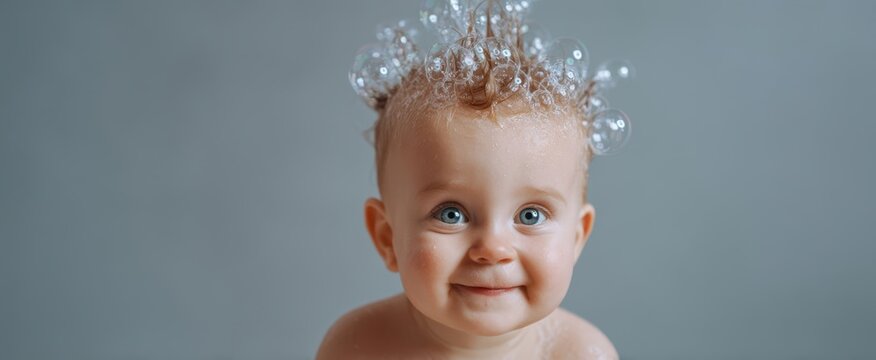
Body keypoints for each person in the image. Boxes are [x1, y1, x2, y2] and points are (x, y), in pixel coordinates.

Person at [319, 1, 634, 358]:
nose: (493, 249)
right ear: (387, 237)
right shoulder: (358, 346)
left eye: (530, 215)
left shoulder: (579, 353)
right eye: (450, 213)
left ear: (576, 238)